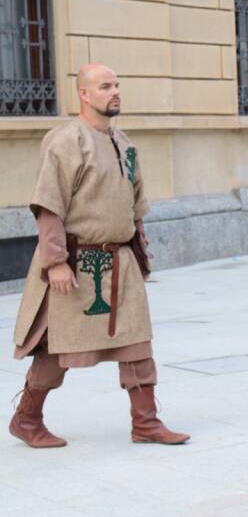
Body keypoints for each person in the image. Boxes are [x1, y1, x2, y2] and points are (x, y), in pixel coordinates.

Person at [9, 64, 189, 450]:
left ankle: (146, 423)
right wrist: (55, 261)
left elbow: (135, 206)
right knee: (59, 346)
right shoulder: (65, 141)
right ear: (84, 95)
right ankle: (26, 419)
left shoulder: (125, 144)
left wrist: (140, 251)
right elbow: (49, 206)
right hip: (76, 265)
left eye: (117, 84)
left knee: (138, 343)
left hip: (120, 263)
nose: (115, 91)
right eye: (105, 86)